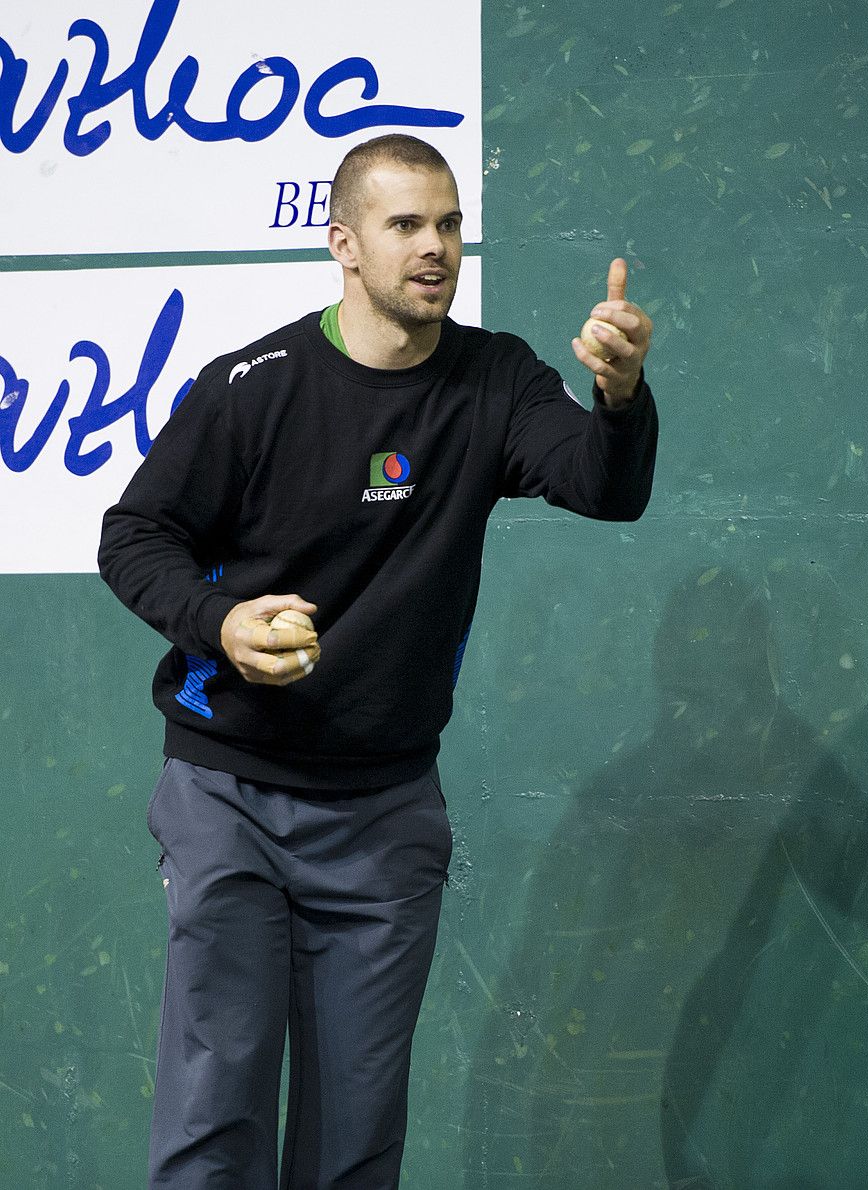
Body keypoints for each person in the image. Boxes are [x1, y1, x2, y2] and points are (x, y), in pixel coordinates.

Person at [97, 132, 657, 1188]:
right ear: (344, 244)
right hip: (231, 795)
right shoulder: (252, 388)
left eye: (448, 224)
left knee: (354, 1147)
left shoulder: (497, 379)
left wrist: (620, 397)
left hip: (386, 813)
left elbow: (604, 483)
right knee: (214, 1124)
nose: (435, 246)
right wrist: (220, 623)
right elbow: (131, 536)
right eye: (406, 225)